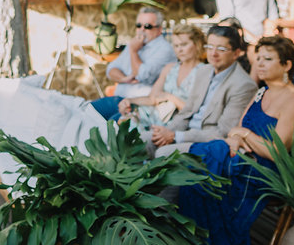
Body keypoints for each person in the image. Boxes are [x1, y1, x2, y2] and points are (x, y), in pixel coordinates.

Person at [178, 36, 294, 245]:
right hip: (246, 160)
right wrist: (237, 140)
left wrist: (246, 137)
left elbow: (276, 153)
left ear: (286, 65)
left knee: (201, 165)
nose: (260, 64)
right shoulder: (261, 91)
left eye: (268, 59)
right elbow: (234, 130)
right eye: (258, 58)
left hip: (271, 174)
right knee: (197, 163)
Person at [150, 25, 258, 155]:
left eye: (221, 49)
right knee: (140, 141)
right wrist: (166, 132)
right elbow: (186, 112)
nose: (213, 53)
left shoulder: (243, 85)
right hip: (183, 133)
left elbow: (223, 132)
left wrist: (175, 136)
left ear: (236, 53)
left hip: (208, 143)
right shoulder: (203, 71)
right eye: (210, 47)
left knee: (162, 153)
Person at [90, 24, 209, 127]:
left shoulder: (204, 72)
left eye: (184, 45)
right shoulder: (170, 68)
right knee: (110, 122)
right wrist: (129, 100)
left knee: (117, 127)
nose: (179, 50)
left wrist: (169, 97)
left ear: (197, 44)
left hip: (168, 123)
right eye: (176, 46)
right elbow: (152, 98)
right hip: (147, 114)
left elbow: (196, 111)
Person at [105, 8, 177, 98]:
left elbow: (141, 76)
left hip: (140, 104)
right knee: (87, 108)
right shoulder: (134, 43)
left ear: (159, 30)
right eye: (139, 25)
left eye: (147, 26)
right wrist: (124, 79)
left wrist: (133, 52)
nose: (142, 29)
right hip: (119, 98)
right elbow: (110, 69)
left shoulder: (165, 49)